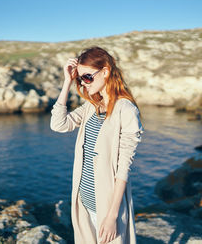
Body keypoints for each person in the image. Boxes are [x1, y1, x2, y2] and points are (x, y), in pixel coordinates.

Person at [50, 46, 143, 244]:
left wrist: (112, 216)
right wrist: (67, 82)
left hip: (107, 207)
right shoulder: (92, 106)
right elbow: (58, 125)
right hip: (84, 202)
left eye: (88, 77)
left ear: (106, 72)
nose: (83, 83)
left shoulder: (126, 110)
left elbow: (123, 169)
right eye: (80, 79)